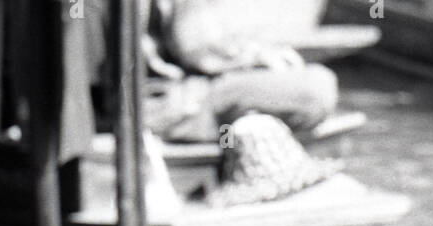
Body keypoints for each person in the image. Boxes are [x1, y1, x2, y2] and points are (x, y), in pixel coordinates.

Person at [140, 0, 340, 143]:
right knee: (317, 87)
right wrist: (254, 57)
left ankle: (228, 130)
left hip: (158, 99)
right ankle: (218, 135)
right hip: (173, 106)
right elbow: (195, 47)